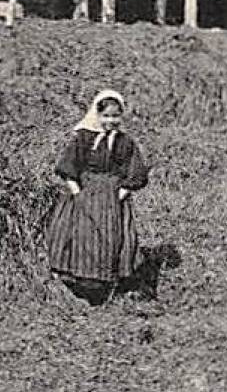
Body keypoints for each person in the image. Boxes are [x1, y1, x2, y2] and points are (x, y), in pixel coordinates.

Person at [43, 89, 150, 305]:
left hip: (112, 197)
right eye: (106, 116)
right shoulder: (83, 138)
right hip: (85, 192)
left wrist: (122, 192)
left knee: (112, 238)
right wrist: (77, 193)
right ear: (97, 115)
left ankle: (107, 286)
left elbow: (135, 169)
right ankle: (80, 286)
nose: (111, 121)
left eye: (116, 116)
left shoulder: (125, 142)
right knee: (81, 236)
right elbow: (68, 166)